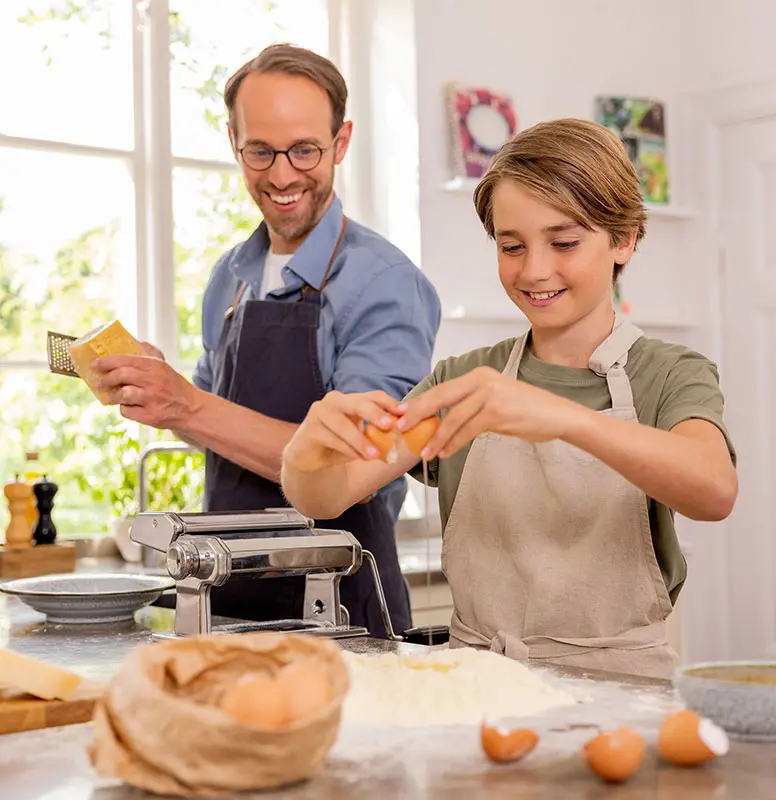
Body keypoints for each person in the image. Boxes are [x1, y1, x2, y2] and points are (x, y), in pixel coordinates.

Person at [280, 118, 738, 679]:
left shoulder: (669, 374)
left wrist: (561, 417)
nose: (534, 270)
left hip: (625, 690)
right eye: (511, 246)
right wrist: (306, 453)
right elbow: (330, 495)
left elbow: (713, 490)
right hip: (479, 686)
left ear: (624, 240)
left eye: (564, 242)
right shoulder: (467, 379)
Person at [92, 44, 441, 637]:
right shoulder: (231, 276)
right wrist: (157, 387)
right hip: (222, 600)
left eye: (304, 149)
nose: (282, 175)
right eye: (261, 150)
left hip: (337, 609)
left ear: (342, 141)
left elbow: (349, 464)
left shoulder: (387, 285)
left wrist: (189, 403)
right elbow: (205, 416)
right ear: (235, 142)